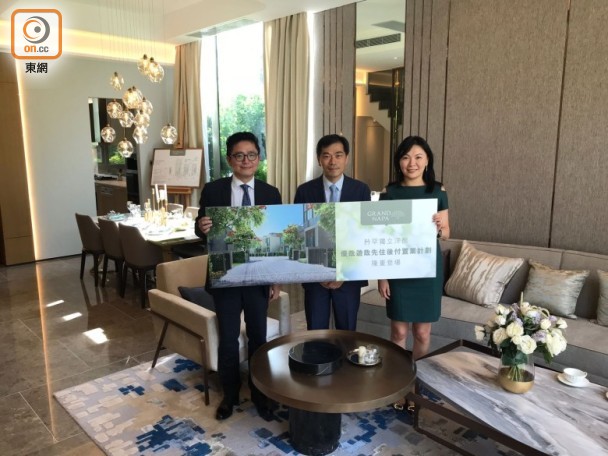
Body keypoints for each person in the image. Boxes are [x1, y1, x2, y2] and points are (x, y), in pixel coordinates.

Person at [195, 132, 282, 421]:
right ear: (230, 159)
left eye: (252, 154)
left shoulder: (271, 193)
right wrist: (202, 226)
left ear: (259, 158)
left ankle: (260, 394)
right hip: (226, 276)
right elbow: (200, 227)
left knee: (258, 337)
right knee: (228, 339)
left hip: (258, 276)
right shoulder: (213, 190)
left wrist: (276, 278)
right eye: (239, 155)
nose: (246, 160)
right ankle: (229, 395)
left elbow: (277, 238)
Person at [378, 136, 450, 386]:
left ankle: (417, 383)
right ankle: (397, 382)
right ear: (399, 162)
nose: (412, 163)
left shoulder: (438, 191)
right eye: (406, 157)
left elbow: (446, 233)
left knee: (422, 332)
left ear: (427, 160)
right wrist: (382, 276)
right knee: (398, 331)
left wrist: (440, 227)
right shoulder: (390, 192)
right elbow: (382, 236)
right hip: (398, 269)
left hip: (427, 270)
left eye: (418, 157)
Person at [294, 134, 371, 330]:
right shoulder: (304, 191)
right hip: (314, 277)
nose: (332, 161)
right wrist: (319, 273)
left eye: (338, 155)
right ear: (319, 159)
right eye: (326, 156)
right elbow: (301, 235)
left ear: (346, 158)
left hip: (348, 278)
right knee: (316, 331)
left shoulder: (361, 190)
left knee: (347, 332)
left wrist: (343, 273)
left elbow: (363, 235)